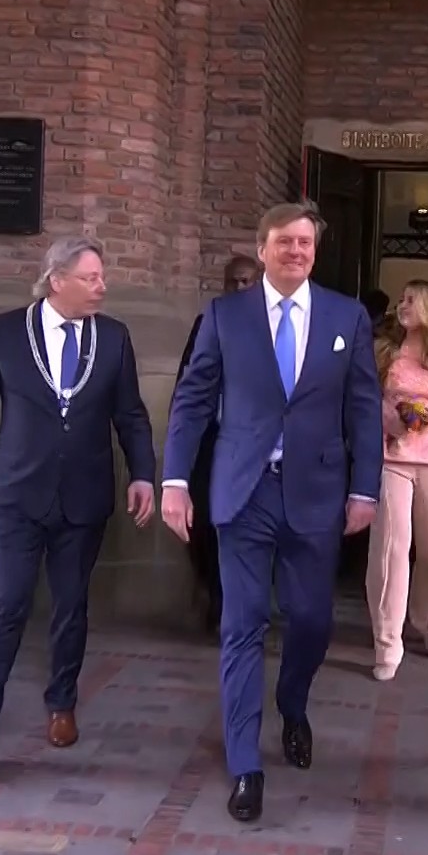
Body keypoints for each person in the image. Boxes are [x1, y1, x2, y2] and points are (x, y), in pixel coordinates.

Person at [161, 201, 384, 823]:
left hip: (317, 491)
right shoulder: (224, 316)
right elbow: (193, 400)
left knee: (311, 620)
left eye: (305, 242)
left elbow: (363, 407)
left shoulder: (345, 316)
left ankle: (293, 702)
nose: (296, 251)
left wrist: (365, 489)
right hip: (244, 490)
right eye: (284, 241)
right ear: (262, 250)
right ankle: (244, 765)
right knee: (243, 623)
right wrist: (175, 479)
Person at [0, 238, 156, 768]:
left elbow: (130, 413)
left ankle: (62, 703)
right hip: (18, 494)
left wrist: (144, 475)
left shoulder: (113, 337)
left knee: (70, 606)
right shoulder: (6, 332)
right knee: (7, 606)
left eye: (102, 276)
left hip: (84, 496)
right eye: (91, 277)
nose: (102, 286)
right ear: (57, 280)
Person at [366, 279, 428, 679]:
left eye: (412, 300)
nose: (403, 306)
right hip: (392, 456)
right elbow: (366, 399)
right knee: (391, 548)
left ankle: (427, 619)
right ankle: (387, 642)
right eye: (402, 299)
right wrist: (393, 419)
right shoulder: (384, 350)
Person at [178, 255, 263, 633]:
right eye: (233, 282)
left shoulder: (276, 326)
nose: (240, 288)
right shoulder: (207, 324)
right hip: (213, 439)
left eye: (247, 281)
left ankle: (241, 606)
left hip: (258, 443)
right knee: (205, 522)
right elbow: (187, 387)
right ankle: (214, 595)